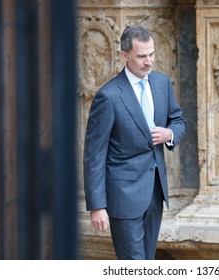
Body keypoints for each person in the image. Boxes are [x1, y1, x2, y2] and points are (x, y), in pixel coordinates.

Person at [83, 25, 186, 260]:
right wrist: (97, 206)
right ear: (124, 56)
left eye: (151, 54)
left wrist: (169, 134)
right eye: (141, 56)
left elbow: (179, 121)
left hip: (155, 192)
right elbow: (94, 155)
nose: (148, 61)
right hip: (123, 196)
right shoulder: (108, 96)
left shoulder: (161, 83)